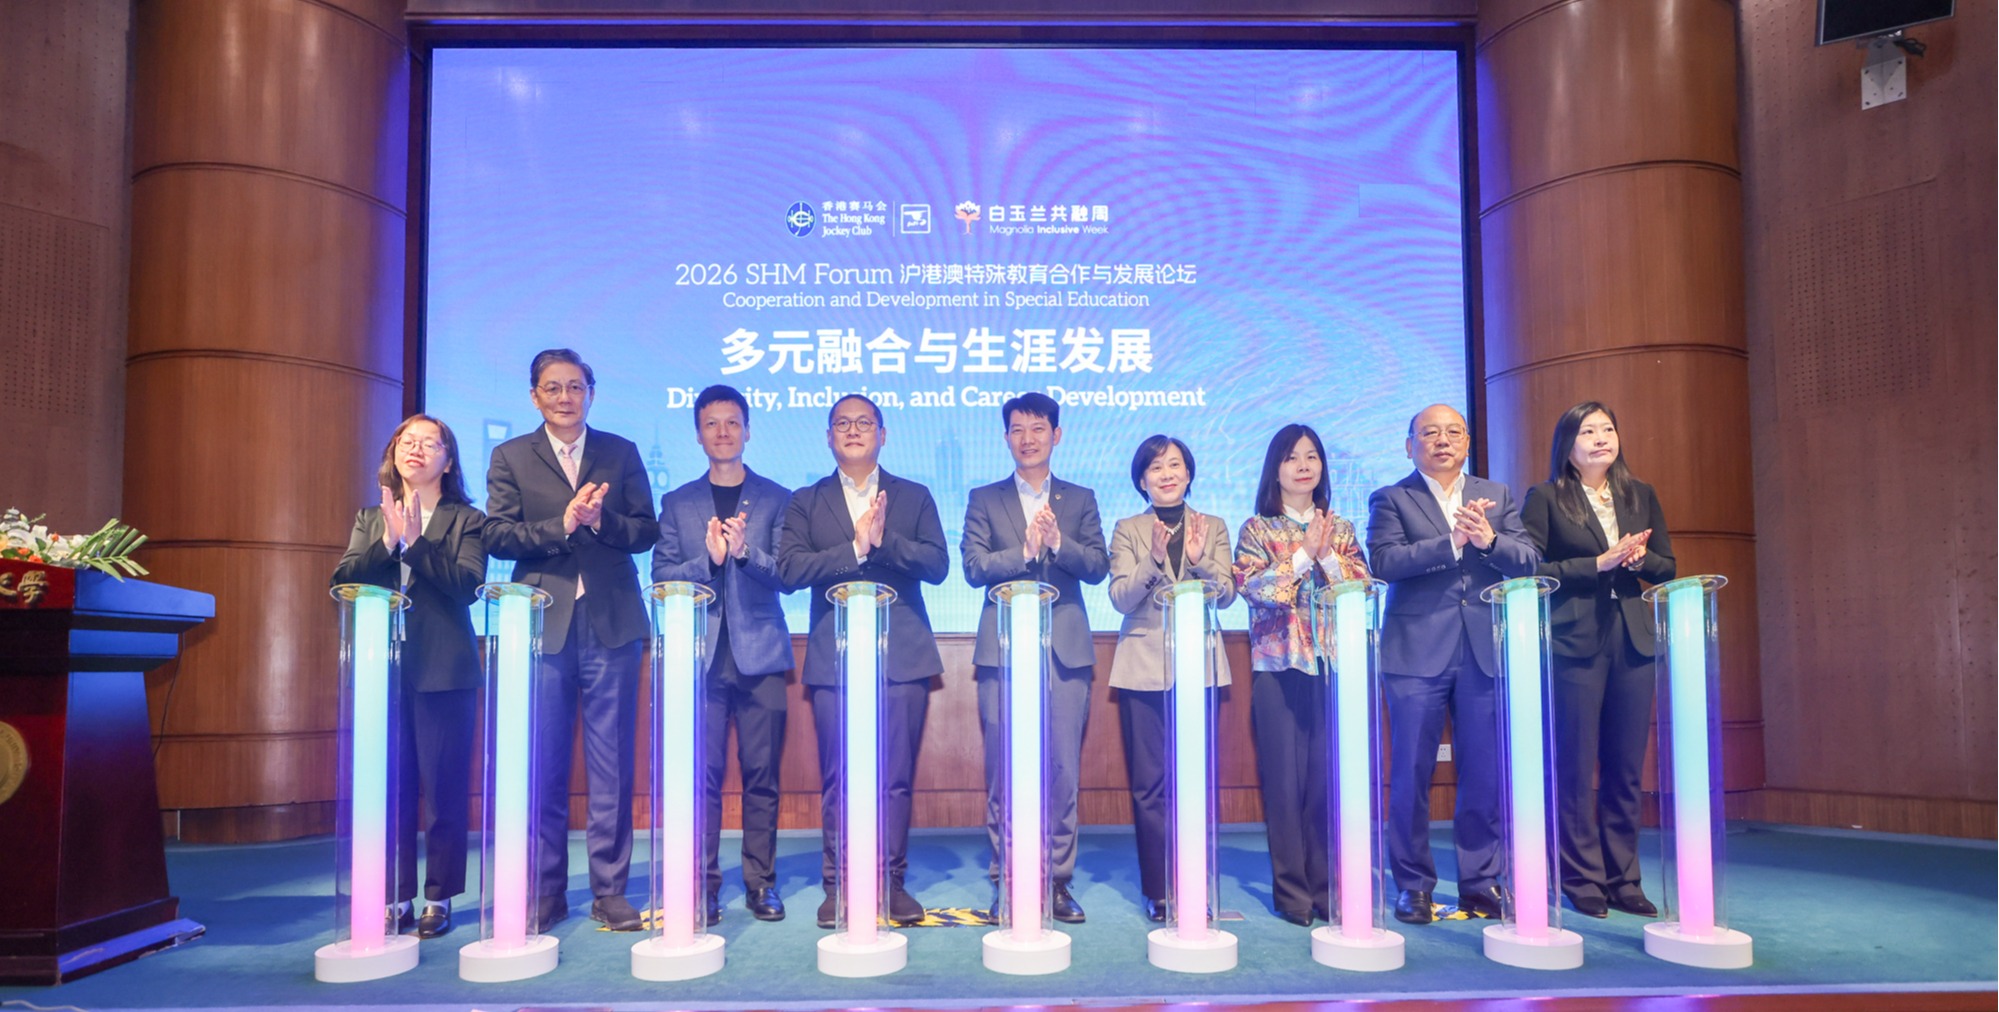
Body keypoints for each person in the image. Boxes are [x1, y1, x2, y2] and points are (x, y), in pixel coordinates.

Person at [483, 349, 660, 931]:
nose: (565, 397)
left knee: (612, 767)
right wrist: (561, 525)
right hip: (541, 624)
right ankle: (545, 889)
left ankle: (611, 891)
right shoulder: (511, 456)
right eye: (553, 387)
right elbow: (498, 535)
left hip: (612, 622)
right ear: (534, 396)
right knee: (544, 765)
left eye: (576, 386)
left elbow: (646, 530)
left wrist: (600, 521)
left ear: (591, 393)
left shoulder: (620, 451)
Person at [777, 394, 949, 929]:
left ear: (883, 434)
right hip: (835, 656)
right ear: (829, 436)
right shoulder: (806, 500)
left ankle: (890, 881)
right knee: (840, 778)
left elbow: (938, 565)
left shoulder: (913, 495)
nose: (853, 431)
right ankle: (840, 884)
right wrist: (853, 549)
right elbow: (789, 571)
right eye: (842, 424)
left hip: (903, 655)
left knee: (894, 778)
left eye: (864, 423)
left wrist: (883, 541)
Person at [1366, 403, 1538, 925]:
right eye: (1430, 433)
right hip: (1415, 652)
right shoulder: (1392, 497)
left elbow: (1529, 560)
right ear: (1409, 445)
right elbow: (1384, 562)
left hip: (1483, 650)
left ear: (1467, 442)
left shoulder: (1496, 495)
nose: (1443, 441)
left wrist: (1489, 540)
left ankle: (1481, 883)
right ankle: (1413, 886)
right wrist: (1451, 543)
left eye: (1453, 432)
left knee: (1484, 774)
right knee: (1411, 774)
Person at [331, 414, 486, 939]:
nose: (415, 449)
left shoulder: (467, 519)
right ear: (393, 451)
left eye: (429, 443)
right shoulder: (369, 517)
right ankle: (394, 896)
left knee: (443, 792)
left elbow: (467, 585)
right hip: (382, 670)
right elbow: (343, 580)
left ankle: (439, 897)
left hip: (444, 671)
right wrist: (388, 542)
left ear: (449, 459)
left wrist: (416, 545)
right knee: (388, 790)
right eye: (406, 441)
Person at [1521, 401, 1676, 920]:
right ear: (1568, 445)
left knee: (1625, 769)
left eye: (1608, 428)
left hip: (1632, 641)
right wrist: (1597, 563)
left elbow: (1668, 567)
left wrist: (1640, 559)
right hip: (1574, 643)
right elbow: (1532, 570)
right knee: (1575, 766)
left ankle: (1623, 878)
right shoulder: (1546, 498)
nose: (1601, 438)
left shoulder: (1640, 494)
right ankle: (1580, 877)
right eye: (1588, 431)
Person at [960, 392, 1109, 924]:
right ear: (1006, 438)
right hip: (1003, 651)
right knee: (1005, 771)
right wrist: (1023, 552)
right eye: (1018, 430)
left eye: (1038, 428)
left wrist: (1059, 543)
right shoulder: (984, 498)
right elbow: (973, 567)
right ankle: (1009, 878)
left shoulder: (1080, 498)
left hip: (1063, 651)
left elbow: (1097, 566)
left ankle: (1058, 880)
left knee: (1062, 770)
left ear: (1056, 435)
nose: (1028, 438)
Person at [650, 384, 794, 924]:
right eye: (712, 423)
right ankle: (702, 885)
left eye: (733, 422)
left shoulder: (777, 497)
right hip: (699, 659)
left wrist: (745, 552)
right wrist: (709, 562)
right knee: (701, 779)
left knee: (762, 776)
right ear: (698, 434)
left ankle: (761, 884)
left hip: (762, 656)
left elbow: (788, 574)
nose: (723, 432)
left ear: (748, 430)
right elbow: (661, 577)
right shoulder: (678, 502)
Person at [1232, 424, 1369, 926]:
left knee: (1327, 783)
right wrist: (1303, 554)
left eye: (1312, 456)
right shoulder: (1257, 529)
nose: (1304, 465)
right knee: (1284, 785)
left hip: (1332, 667)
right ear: (1276, 469)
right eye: (1292, 457)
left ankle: (1326, 888)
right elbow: (1254, 589)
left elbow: (1362, 586)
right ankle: (1292, 893)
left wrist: (1326, 553)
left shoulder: (1341, 528)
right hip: (1278, 668)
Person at [1105, 434, 1235, 923]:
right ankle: (1159, 889)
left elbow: (1227, 596)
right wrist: (1154, 559)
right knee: (1150, 786)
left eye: (1175, 465)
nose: (1167, 474)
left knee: (1194, 783)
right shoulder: (1128, 529)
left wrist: (1198, 561)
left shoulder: (1213, 526)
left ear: (1189, 473)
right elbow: (1120, 598)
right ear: (1142, 480)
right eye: (1156, 467)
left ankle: (1194, 884)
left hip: (1200, 666)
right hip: (1143, 667)